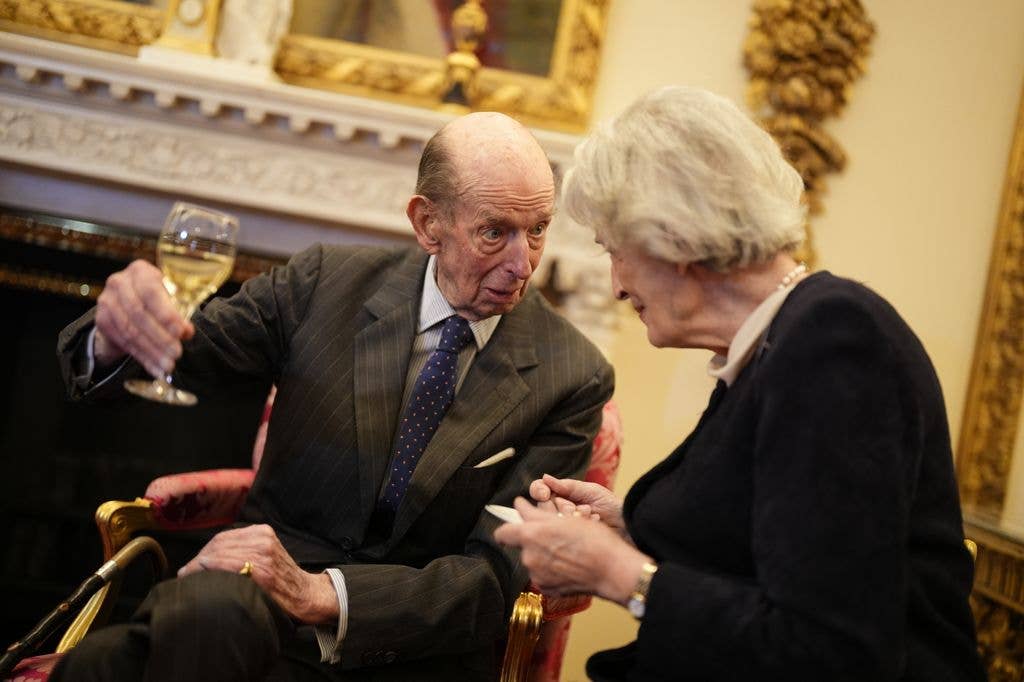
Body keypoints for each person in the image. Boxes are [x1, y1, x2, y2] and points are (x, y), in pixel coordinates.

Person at [52, 111, 614, 681]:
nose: (523, 265)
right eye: (495, 232)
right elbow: (184, 358)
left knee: (106, 666)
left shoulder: (571, 375)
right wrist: (117, 332)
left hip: (404, 653)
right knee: (190, 624)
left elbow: (494, 578)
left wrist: (325, 595)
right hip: (249, 611)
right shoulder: (323, 283)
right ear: (427, 224)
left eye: (538, 229)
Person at [494, 86, 985, 682]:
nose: (618, 286)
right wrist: (631, 522)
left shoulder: (836, 342)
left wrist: (616, 574)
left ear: (673, 238)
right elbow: (773, 540)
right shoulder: (776, 341)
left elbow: (834, 650)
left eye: (614, 250)